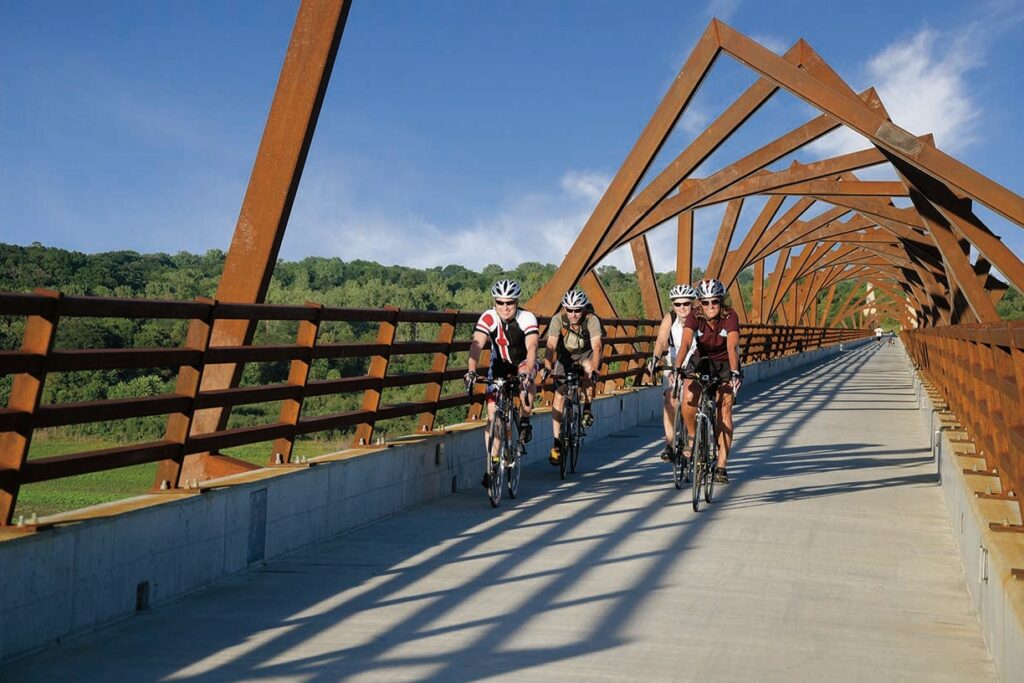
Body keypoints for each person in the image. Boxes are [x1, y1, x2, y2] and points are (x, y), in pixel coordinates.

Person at [465, 279, 539, 487]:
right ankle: (493, 463)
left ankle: (525, 419)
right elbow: (476, 344)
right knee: (493, 417)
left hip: (523, 360)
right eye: (500, 302)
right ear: (494, 302)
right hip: (499, 364)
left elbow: (532, 346)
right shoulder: (489, 317)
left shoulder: (526, 317)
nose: (505, 307)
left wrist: (528, 373)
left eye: (510, 303)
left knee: (527, 375)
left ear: (516, 302)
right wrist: (471, 370)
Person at [674, 278, 742, 484]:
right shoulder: (695, 315)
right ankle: (693, 435)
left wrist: (734, 372)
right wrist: (678, 367)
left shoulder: (730, 316)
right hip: (701, 360)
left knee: (724, 412)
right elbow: (686, 343)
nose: (711, 306)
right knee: (688, 396)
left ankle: (721, 467)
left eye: (715, 301)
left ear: (721, 301)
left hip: (725, 363)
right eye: (705, 302)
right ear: (700, 303)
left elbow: (732, 347)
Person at [540, 289, 603, 467]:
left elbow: (597, 346)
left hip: (586, 353)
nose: (574, 314)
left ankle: (587, 408)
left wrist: (595, 369)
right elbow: (551, 345)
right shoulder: (558, 320)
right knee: (559, 395)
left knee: (588, 370)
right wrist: (547, 366)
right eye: (570, 310)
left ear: (583, 309)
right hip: (565, 355)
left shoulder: (591, 320)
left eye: (577, 310)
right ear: (565, 308)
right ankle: (556, 443)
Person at [647, 283, 699, 461]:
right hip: (674, 364)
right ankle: (669, 444)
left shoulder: (699, 318)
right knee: (670, 399)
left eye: (686, 304)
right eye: (678, 304)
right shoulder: (670, 318)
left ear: (693, 303)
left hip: (695, 364)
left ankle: (695, 438)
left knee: (691, 401)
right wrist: (654, 359)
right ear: (673, 306)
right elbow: (661, 341)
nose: (682, 308)